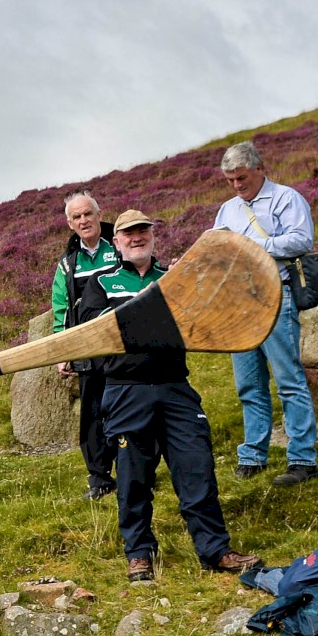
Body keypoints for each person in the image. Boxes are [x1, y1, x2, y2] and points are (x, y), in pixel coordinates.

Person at [93, 211, 264, 584]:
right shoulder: (100, 284)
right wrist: (154, 325)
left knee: (197, 467)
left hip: (174, 385)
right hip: (126, 390)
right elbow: (100, 334)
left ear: (153, 236)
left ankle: (214, 550)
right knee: (133, 477)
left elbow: (197, 324)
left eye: (143, 231)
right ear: (117, 242)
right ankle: (139, 554)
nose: (137, 238)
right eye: (128, 234)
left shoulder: (174, 279)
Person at [211, 141, 318, 485]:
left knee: (289, 380)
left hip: (276, 294)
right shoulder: (227, 210)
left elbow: (302, 239)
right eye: (230, 180)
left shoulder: (287, 199)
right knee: (249, 383)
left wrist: (253, 246)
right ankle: (253, 456)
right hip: (238, 302)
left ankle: (303, 459)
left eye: (241, 177)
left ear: (260, 169)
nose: (237, 185)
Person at [50, 191, 124, 500]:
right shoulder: (67, 264)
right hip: (89, 351)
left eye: (87, 214)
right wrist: (64, 352)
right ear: (69, 223)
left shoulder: (119, 246)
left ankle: (135, 472)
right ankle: (100, 478)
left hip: (124, 346)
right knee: (93, 414)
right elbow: (61, 308)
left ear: (98, 213)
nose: (84, 220)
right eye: (77, 217)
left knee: (128, 408)